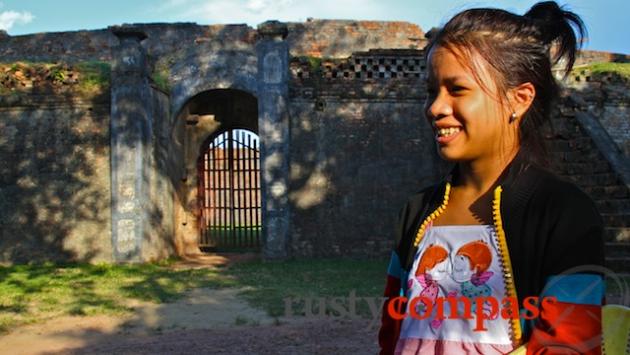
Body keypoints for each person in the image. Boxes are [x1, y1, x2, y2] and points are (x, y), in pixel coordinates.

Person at [378, 1, 605, 354]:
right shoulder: (417, 211)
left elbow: (570, 346)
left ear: (519, 99)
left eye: (457, 90)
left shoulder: (563, 212)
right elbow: (392, 330)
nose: (436, 107)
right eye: (431, 91)